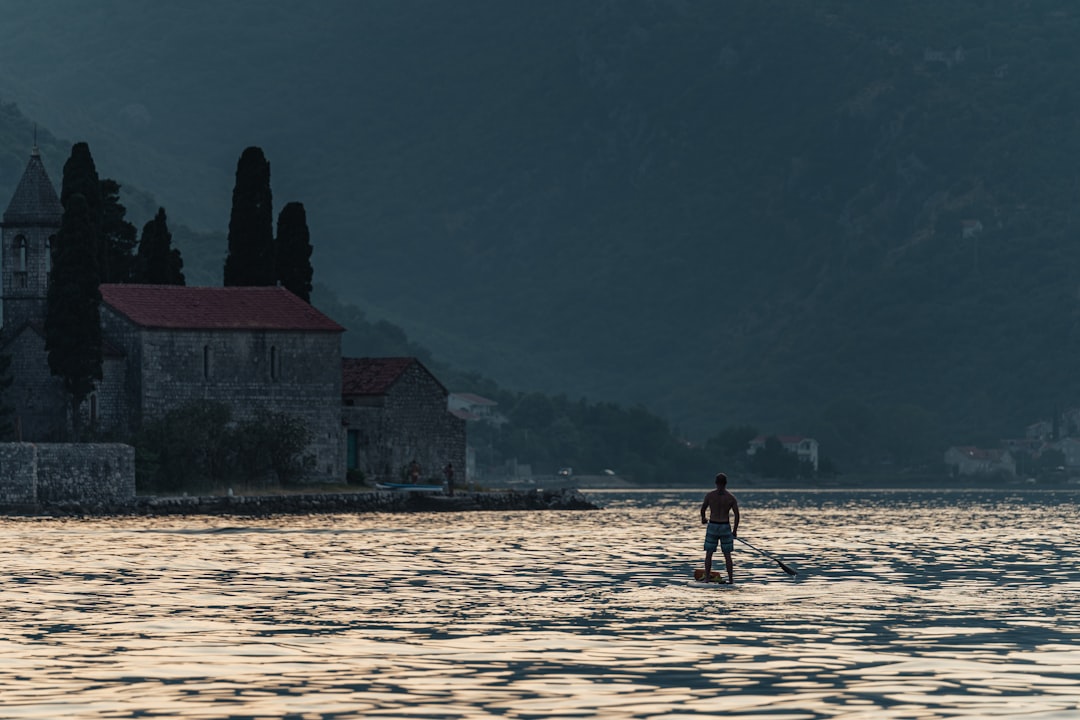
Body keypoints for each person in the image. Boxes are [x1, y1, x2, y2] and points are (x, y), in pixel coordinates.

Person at [700, 472, 740, 583]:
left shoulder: (710, 495)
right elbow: (737, 515)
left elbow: (703, 509)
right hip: (725, 526)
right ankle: (731, 580)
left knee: (709, 553)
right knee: (727, 555)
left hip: (713, 525)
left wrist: (703, 518)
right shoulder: (731, 498)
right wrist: (735, 530)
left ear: (716, 483)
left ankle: (707, 578)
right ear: (726, 483)